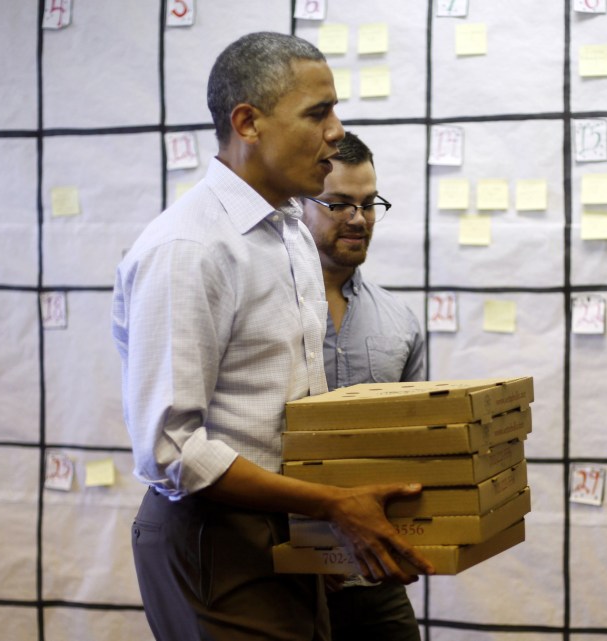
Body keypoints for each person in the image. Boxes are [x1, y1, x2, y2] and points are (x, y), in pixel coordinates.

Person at [112, 32, 434, 641]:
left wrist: (314, 528)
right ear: (248, 123)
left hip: (284, 530)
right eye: (318, 113)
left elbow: (283, 411)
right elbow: (172, 451)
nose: (336, 130)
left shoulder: (286, 231)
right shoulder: (190, 249)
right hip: (218, 537)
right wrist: (329, 506)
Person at [301, 131, 426, 641]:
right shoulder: (261, 312)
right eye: (338, 204)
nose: (357, 218)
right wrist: (309, 544)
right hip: (278, 574)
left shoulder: (400, 320)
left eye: (368, 204)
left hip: (372, 571)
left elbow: (416, 446)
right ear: (300, 206)